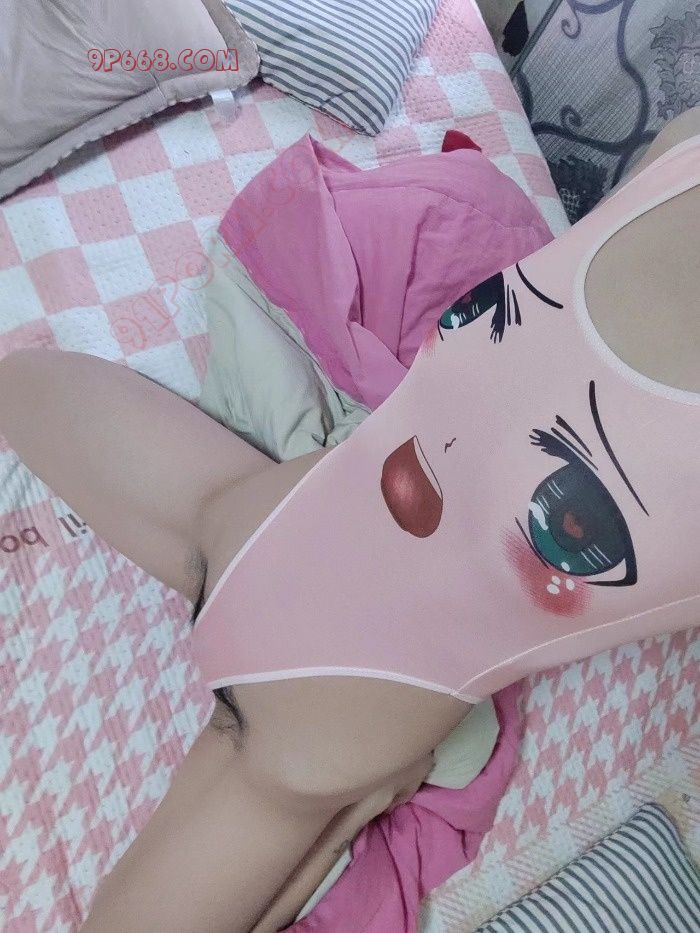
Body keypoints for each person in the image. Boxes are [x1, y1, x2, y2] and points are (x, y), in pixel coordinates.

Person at [1, 106, 698, 933]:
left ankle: (356, 793)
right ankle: (362, 795)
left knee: (18, 385)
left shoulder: (683, 149)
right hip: (333, 715)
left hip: (269, 522)